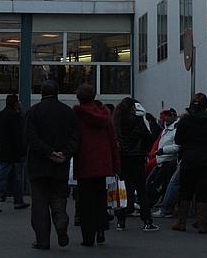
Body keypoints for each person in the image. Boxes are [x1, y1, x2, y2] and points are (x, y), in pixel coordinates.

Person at [26, 80, 80, 250]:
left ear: (41, 92)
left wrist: (48, 151)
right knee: (58, 197)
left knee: (39, 203)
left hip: (39, 164)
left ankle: (42, 240)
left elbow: (30, 137)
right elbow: (75, 137)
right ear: (58, 92)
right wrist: (65, 153)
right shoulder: (68, 112)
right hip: (60, 165)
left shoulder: (33, 112)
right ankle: (61, 220)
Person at [72, 84, 120, 246]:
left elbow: (74, 139)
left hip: (84, 162)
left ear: (79, 97)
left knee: (85, 202)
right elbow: (113, 140)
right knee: (100, 199)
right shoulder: (104, 115)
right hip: (103, 163)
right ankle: (100, 230)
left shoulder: (77, 115)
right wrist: (116, 164)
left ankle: (88, 236)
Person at [172, 93, 207, 234]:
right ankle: (202, 224)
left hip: (189, 160)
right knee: (204, 192)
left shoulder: (185, 120)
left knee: (185, 191)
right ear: (206, 105)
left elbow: (177, 140)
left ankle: (181, 222)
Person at [113, 97, 158, 232]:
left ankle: (121, 220)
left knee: (124, 190)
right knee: (141, 189)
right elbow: (148, 137)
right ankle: (147, 221)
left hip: (123, 158)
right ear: (132, 107)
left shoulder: (116, 121)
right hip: (137, 157)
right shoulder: (137, 120)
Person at [0, 94, 29, 213]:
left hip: (1, 152)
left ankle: (18, 201)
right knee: (2, 178)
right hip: (11, 153)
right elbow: (18, 136)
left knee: (12, 177)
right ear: (15, 103)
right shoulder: (15, 116)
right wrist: (22, 151)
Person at [147, 109, 179, 210]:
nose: (166, 118)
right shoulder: (165, 130)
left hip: (168, 161)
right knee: (151, 183)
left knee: (160, 185)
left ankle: (157, 205)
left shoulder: (175, 131)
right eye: (165, 116)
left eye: (169, 115)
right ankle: (149, 203)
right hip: (160, 160)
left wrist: (163, 150)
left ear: (174, 116)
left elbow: (177, 146)